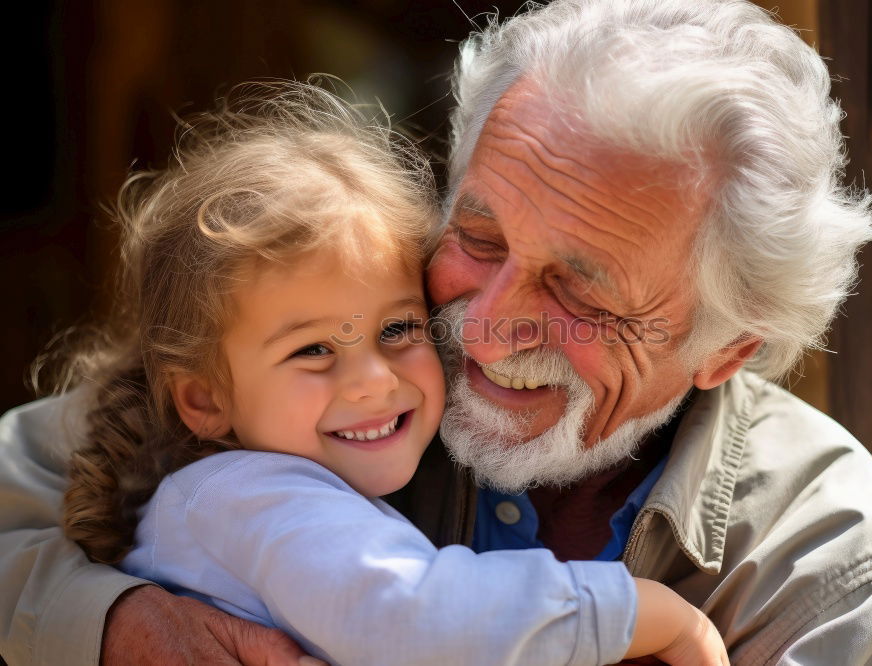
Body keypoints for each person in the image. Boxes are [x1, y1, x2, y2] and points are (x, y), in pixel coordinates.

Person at [0, 1, 872, 665]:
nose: (484, 331)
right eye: (480, 237)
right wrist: (113, 625)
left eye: (581, 293)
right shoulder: (352, 342)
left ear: (725, 350)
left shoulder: (831, 570)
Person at [40, 79, 727, 666]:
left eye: (398, 329)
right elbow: (416, 617)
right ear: (203, 398)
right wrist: (643, 611)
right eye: (312, 351)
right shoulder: (254, 499)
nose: (372, 380)